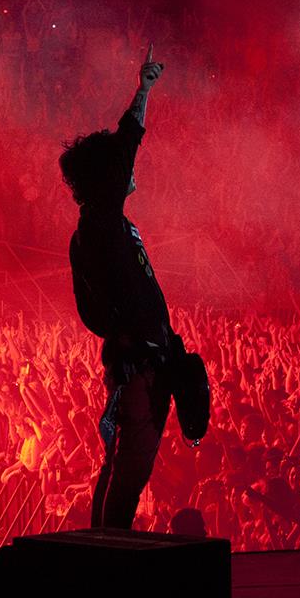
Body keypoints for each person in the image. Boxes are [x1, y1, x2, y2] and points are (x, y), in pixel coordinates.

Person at [60, 47, 171, 529]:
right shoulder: (100, 225)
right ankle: (111, 559)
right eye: (119, 165)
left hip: (139, 364)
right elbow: (128, 140)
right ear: (106, 180)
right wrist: (142, 92)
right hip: (136, 370)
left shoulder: (98, 226)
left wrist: (144, 90)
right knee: (130, 470)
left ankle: (104, 548)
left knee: (120, 466)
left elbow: (127, 143)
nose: (130, 167)